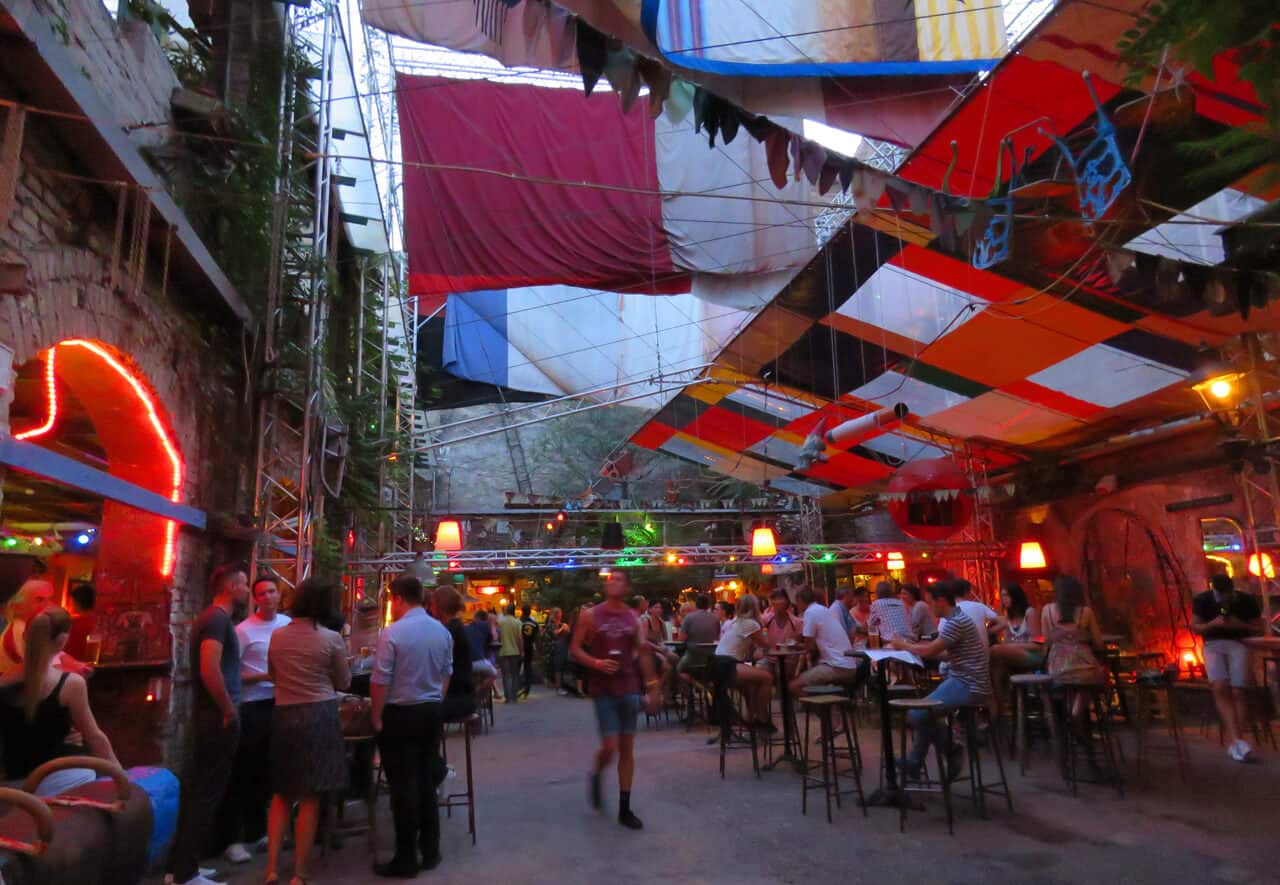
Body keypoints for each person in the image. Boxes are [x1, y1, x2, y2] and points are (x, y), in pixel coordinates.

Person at [167, 563, 251, 885]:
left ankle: (179, 867)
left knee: (200, 791)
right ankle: (186, 874)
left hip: (211, 715)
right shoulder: (217, 620)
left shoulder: (213, 619)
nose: (246, 589)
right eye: (243, 584)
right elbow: (208, 667)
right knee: (206, 793)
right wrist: (228, 708)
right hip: (217, 718)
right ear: (230, 587)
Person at [263, 579, 351, 885]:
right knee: (311, 796)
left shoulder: (277, 636)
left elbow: (272, 674)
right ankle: (300, 871)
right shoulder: (330, 639)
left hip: (284, 714)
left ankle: (272, 867)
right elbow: (344, 681)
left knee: (282, 793)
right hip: (319, 714)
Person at [371, 576, 453, 877]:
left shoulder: (393, 632)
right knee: (425, 779)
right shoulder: (441, 631)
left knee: (403, 786)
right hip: (430, 712)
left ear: (397, 599)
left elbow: (380, 679)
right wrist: (435, 700)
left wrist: (377, 716)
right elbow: (447, 673)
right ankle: (431, 850)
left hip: (400, 713)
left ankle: (406, 858)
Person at [569, 570, 659, 830]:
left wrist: (652, 685)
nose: (613, 582)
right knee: (610, 746)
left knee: (627, 748)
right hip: (603, 689)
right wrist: (596, 662)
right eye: (610, 579)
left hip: (628, 685)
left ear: (627, 587)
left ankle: (625, 808)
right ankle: (597, 773)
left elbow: (642, 652)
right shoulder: (590, 615)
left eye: (618, 579)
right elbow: (575, 649)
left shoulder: (633, 618)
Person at [0, 607, 119, 797]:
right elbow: (95, 737)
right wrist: (123, 779)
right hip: (59, 778)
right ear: (62, 640)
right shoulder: (70, 684)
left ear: (25, 637)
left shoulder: (4, 681)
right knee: (91, 774)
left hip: (15, 785)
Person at [219, 576, 291, 865]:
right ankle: (231, 838)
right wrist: (265, 676)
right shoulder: (243, 632)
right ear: (255, 599)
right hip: (253, 704)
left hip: (282, 702)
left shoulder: (287, 624)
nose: (268, 597)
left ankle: (259, 829)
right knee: (245, 769)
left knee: (270, 769)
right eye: (262, 593)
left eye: (272, 591)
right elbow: (231, 673)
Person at [889, 580, 992, 781]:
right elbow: (946, 653)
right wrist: (917, 646)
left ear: (941, 601)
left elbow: (930, 650)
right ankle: (915, 761)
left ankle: (950, 750)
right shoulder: (958, 619)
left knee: (917, 714)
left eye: (931, 603)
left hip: (968, 683)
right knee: (924, 714)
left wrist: (903, 645)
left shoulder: (955, 622)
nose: (929, 607)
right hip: (968, 680)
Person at [1192, 573, 1263, 762]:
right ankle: (1237, 741)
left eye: (1227, 594)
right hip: (1213, 644)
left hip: (1239, 643)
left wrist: (1240, 625)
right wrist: (1212, 624)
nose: (1224, 598)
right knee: (1219, 687)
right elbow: (1196, 627)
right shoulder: (1203, 600)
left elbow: (1258, 627)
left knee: (1238, 690)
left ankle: (1236, 741)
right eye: (1220, 594)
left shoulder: (1246, 600)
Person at [1041, 575, 1108, 734]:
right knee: (1090, 680)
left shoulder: (1047, 611)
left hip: (1057, 670)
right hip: (1085, 667)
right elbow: (1099, 644)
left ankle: (1072, 719)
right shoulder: (1086, 612)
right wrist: (1086, 638)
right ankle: (1076, 716)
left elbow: (1046, 642)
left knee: (1070, 684)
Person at [0, 579, 90, 683]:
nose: (49, 604)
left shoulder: (31, 627)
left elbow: (55, 654)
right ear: (17, 606)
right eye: (40, 600)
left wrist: (75, 664)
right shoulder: (19, 629)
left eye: (50, 599)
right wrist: (75, 667)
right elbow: (41, 666)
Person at [788, 587, 869, 695]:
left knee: (794, 686)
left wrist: (795, 646)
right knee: (813, 677)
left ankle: (818, 707)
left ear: (800, 600)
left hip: (838, 667)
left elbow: (809, 646)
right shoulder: (823, 609)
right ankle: (822, 705)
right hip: (847, 664)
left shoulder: (810, 612)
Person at [711, 594, 773, 726]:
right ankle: (761, 717)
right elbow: (766, 645)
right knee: (767, 677)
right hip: (727, 664)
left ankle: (749, 720)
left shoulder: (735, 622)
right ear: (755, 607)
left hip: (716, 663)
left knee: (752, 685)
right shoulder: (751, 624)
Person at [760, 588, 802, 680]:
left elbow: (799, 644)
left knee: (782, 679)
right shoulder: (765, 620)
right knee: (760, 675)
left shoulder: (796, 622)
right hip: (768, 658)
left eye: (780, 598)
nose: (777, 602)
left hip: (788, 660)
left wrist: (794, 646)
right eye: (774, 598)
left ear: (787, 601)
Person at [676, 593, 718, 679]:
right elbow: (717, 637)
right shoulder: (715, 618)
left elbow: (681, 640)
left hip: (693, 655)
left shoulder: (689, 618)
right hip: (711, 656)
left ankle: (696, 685)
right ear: (708, 605)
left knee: (678, 670)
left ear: (696, 605)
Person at [953, 580, 1007, 645]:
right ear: (968, 592)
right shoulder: (979, 606)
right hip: (983, 653)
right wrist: (986, 632)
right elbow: (1004, 622)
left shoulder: (949, 611)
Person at [63, 582, 98, 662]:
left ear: (77, 602)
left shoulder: (71, 623)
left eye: (71, 601)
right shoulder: (96, 622)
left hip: (70, 666)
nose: (70, 605)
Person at [496, 603, 522, 704]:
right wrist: (521, 651)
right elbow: (520, 639)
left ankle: (507, 697)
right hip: (515, 651)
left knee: (506, 675)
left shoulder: (500, 622)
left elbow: (497, 637)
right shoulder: (517, 622)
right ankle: (514, 696)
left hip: (503, 652)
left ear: (506, 611)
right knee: (515, 674)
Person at [545, 608, 571, 695]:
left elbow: (568, 633)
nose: (561, 615)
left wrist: (566, 628)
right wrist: (563, 628)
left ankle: (561, 686)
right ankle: (558, 687)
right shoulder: (551, 624)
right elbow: (554, 634)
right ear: (556, 615)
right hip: (556, 648)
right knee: (558, 668)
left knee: (561, 667)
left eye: (561, 613)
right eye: (559, 613)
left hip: (563, 648)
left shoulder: (561, 624)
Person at [519, 604, 538, 699]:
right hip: (529, 647)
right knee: (527, 667)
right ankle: (527, 688)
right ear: (530, 612)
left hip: (519, 647)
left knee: (517, 667)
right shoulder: (534, 623)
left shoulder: (519, 622)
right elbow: (536, 636)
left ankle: (518, 686)